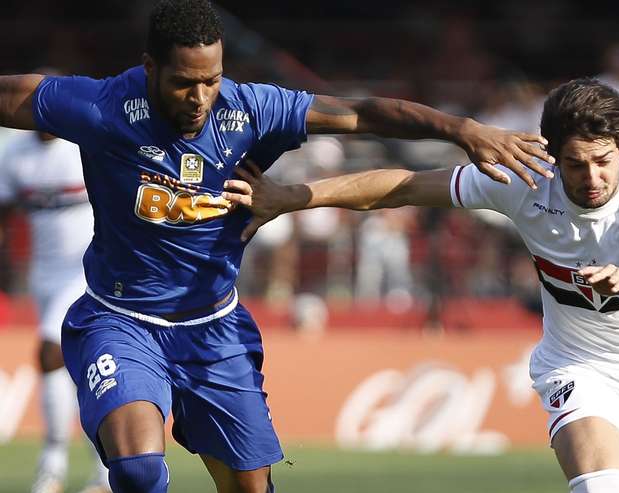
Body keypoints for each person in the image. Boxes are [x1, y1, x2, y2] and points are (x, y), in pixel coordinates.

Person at [0, 1, 553, 492]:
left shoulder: (251, 110)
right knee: (137, 470)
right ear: (150, 69)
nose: (200, 98)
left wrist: (463, 130)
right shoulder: (101, 107)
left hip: (213, 328)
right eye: (183, 83)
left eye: (212, 80)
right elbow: (10, 95)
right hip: (120, 319)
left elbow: (360, 113)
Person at [226, 78, 619, 493]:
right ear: (553, 154)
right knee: (598, 485)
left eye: (604, 161)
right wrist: (292, 197)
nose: (593, 177)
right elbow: (402, 187)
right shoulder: (525, 180)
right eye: (576, 164)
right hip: (581, 366)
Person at [0, 129, 110, 493]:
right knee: (81, 370)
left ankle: (52, 464)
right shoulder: (14, 155)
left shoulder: (84, 146)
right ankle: (105, 471)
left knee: (49, 350)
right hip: (42, 274)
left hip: (84, 269)